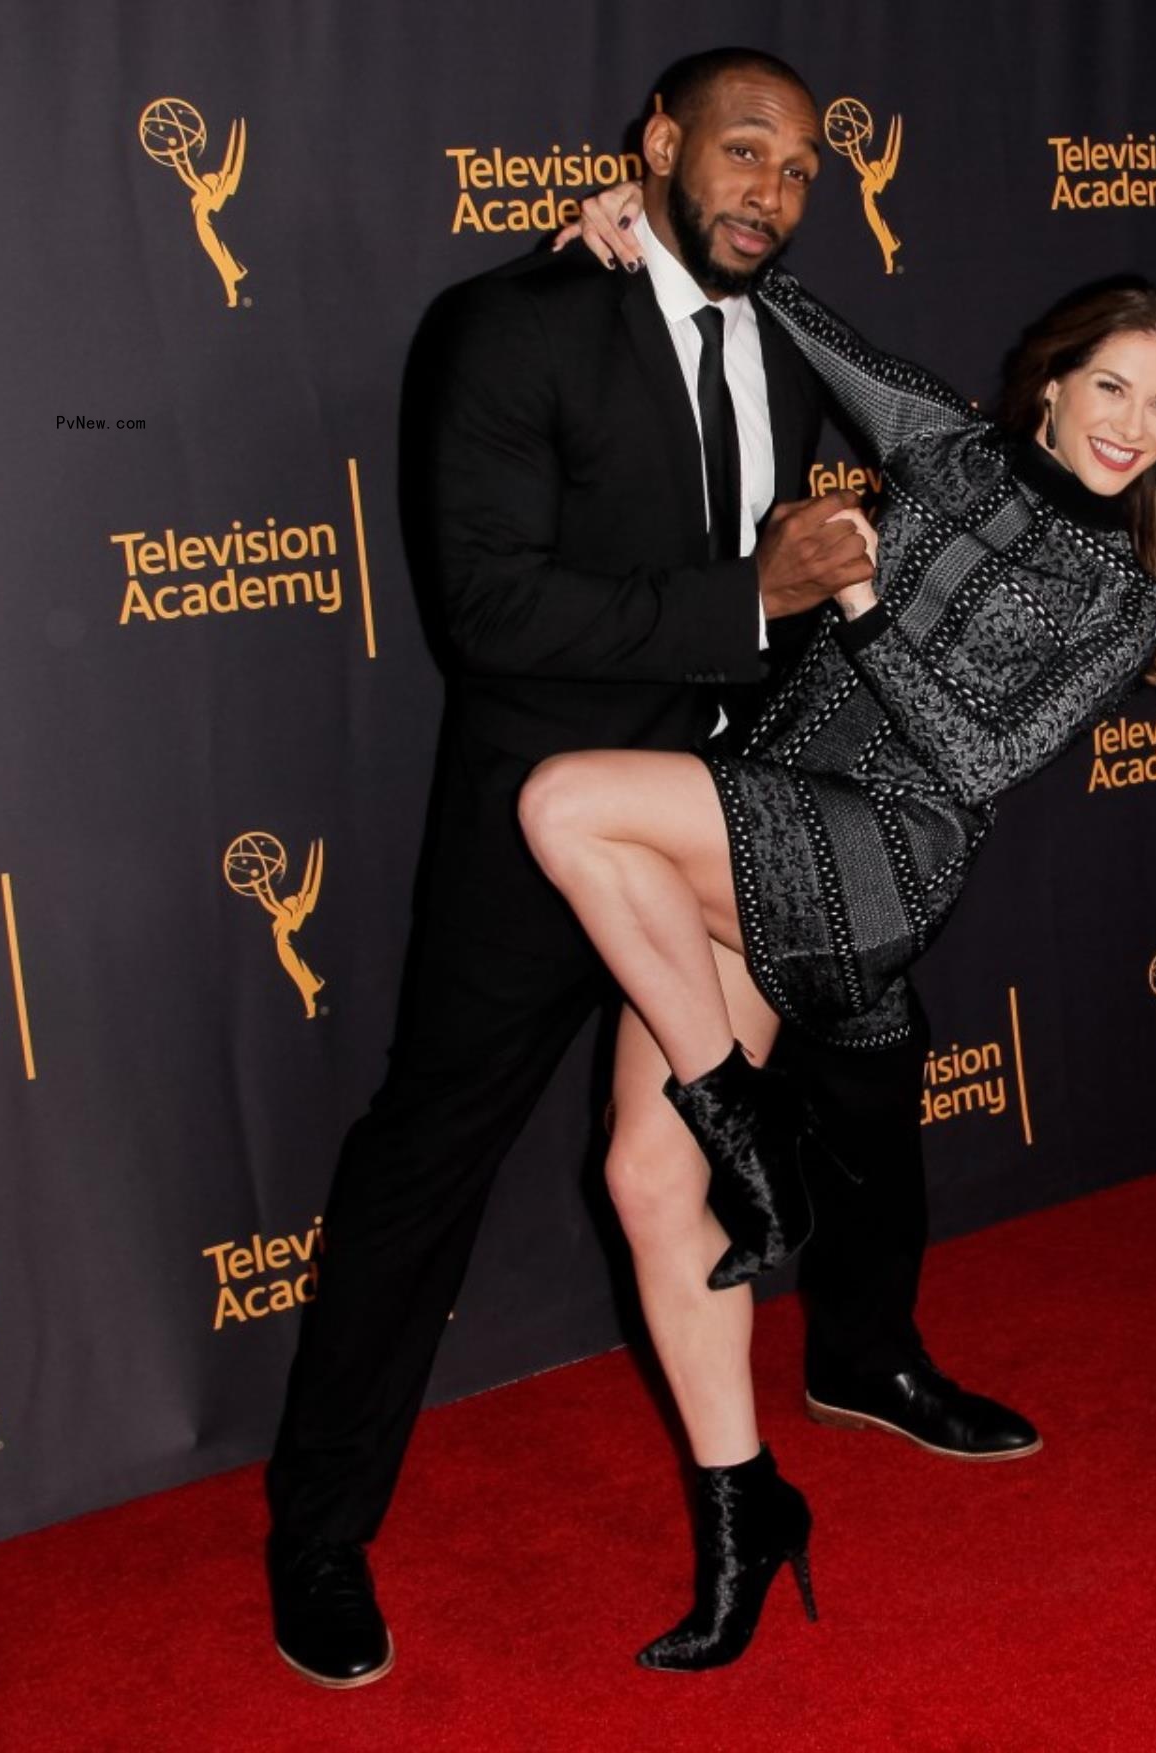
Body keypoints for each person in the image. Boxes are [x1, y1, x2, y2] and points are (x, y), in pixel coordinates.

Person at [262, 47, 1037, 1690]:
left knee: (859, 1079)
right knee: (427, 1158)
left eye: (804, 167)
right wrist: (749, 597)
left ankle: (867, 1360)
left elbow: (972, 466)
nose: (772, 187)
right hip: (545, 824)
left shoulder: (805, 339)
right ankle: (319, 1534)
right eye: (742, 150)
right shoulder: (514, 324)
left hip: (748, 810)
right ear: (659, 144)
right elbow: (489, 613)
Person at [520, 185, 1156, 1666]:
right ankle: (745, 1510)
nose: (1131, 424)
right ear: (1051, 381)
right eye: (1112, 383)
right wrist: (644, 228)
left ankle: (739, 1111)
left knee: (567, 802)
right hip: (754, 822)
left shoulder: (1118, 590)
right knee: (647, 1185)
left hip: (877, 862)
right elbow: (790, 305)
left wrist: (856, 607)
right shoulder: (935, 442)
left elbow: (970, 760)